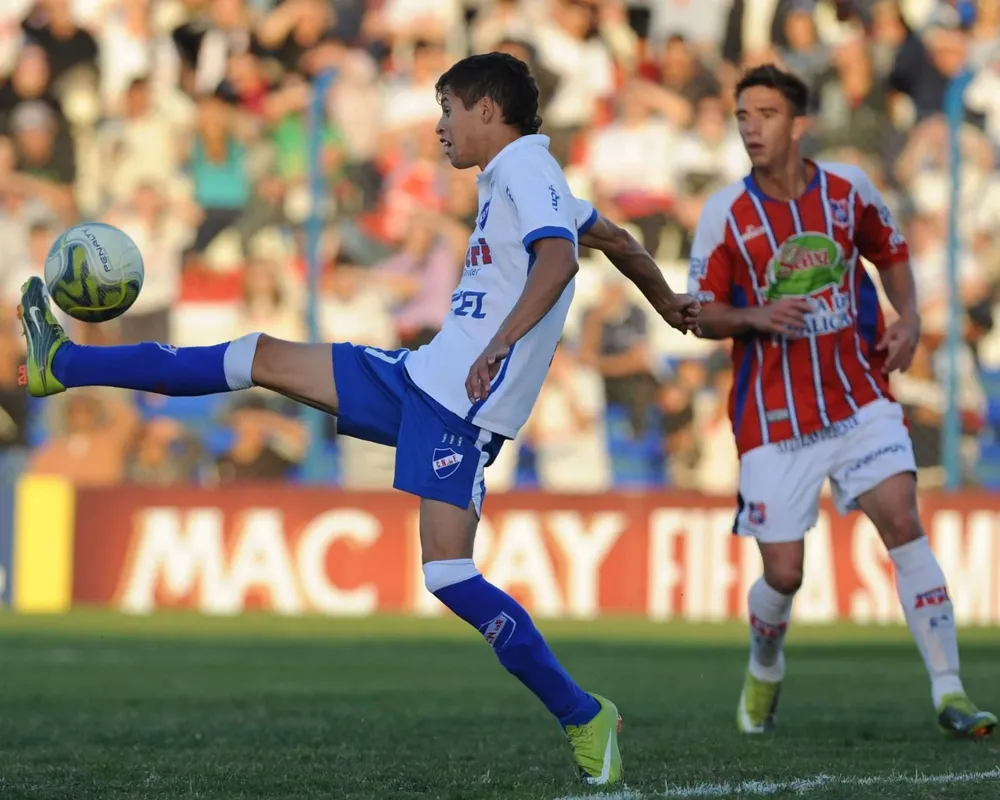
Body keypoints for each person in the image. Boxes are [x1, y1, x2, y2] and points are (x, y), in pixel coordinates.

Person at [17, 52, 700, 785]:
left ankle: (581, 715)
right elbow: (618, 241)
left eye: (449, 111)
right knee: (256, 355)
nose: (440, 127)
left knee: (447, 573)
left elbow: (561, 261)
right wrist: (666, 303)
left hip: (457, 406)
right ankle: (65, 365)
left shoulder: (529, 172)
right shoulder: (523, 175)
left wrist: (501, 345)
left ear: (488, 112)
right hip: (421, 377)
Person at [687, 63, 996, 739]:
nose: (750, 128)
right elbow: (699, 314)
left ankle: (950, 691)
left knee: (902, 521)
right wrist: (755, 317)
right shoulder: (725, 213)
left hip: (859, 396)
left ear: (799, 124)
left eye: (765, 114)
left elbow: (892, 252)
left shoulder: (847, 190)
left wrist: (908, 318)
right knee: (786, 572)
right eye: (742, 115)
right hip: (773, 417)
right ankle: (764, 663)